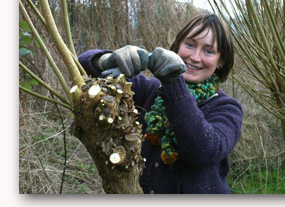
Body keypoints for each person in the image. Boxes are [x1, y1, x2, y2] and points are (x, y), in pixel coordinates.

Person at [78, 13, 243, 194]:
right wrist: (105, 60)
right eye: (190, 44)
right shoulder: (150, 90)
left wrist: (173, 81)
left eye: (209, 51)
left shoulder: (227, 108)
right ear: (178, 46)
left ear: (221, 61)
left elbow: (202, 150)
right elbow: (80, 67)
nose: (195, 57)